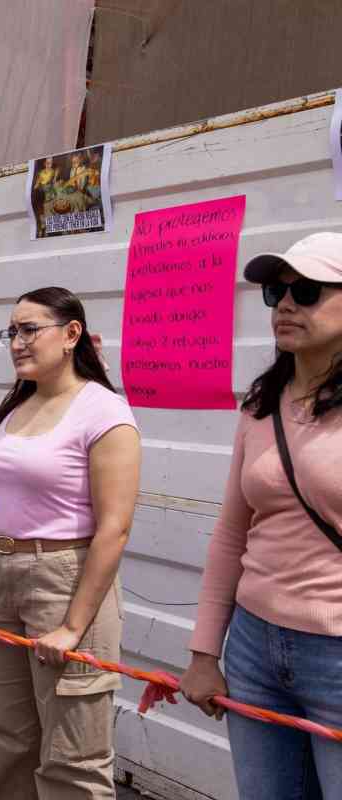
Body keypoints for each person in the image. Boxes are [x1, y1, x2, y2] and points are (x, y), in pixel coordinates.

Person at [0, 287, 140, 800]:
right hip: (5, 577)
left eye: (30, 329)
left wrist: (75, 626)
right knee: (11, 737)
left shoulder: (104, 413)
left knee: (72, 756)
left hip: (64, 579)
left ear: (71, 334)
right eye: (11, 331)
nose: (17, 342)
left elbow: (114, 529)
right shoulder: (17, 409)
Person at [180, 234, 342, 799]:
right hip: (253, 648)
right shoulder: (259, 406)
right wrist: (204, 653)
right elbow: (231, 534)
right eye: (277, 291)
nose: (287, 305)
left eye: (309, 291)